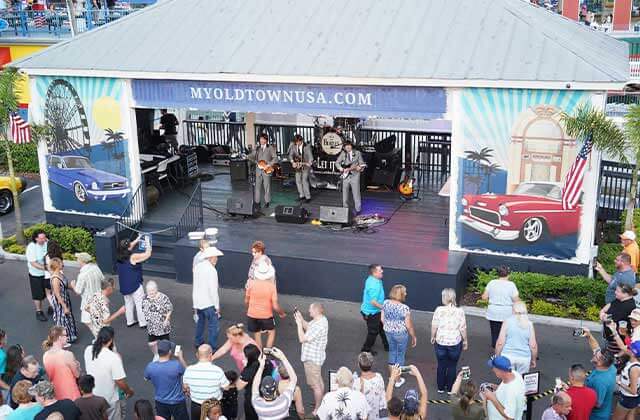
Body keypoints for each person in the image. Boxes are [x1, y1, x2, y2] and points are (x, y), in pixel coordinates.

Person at [84, 327, 134, 420]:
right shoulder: (113, 358)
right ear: (111, 340)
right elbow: (120, 381)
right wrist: (129, 391)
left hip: (94, 394)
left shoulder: (88, 350)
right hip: (109, 398)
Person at [293, 303, 327, 414]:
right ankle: (321, 402)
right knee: (318, 380)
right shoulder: (321, 320)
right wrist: (301, 319)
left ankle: (317, 409)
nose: (309, 311)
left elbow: (302, 338)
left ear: (316, 311)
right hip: (317, 357)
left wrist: (298, 324)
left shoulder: (318, 325)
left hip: (312, 360)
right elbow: (308, 327)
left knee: (315, 385)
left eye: (310, 309)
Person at [431, 288, 467, 393]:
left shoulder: (438, 310)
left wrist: (432, 336)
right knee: (452, 365)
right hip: (455, 343)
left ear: (444, 298)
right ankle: (451, 388)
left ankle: (440, 388)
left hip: (440, 342)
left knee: (441, 365)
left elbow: (434, 325)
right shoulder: (460, 311)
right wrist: (465, 341)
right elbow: (463, 328)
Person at [245, 261, 286, 349]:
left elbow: (246, 300)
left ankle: (260, 354)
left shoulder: (251, 284)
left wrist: (250, 308)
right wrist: (281, 313)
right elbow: (275, 306)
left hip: (252, 314)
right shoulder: (271, 286)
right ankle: (267, 353)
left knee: (257, 333)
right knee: (271, 332)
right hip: (266, 316)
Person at [143, 340, 188, 420]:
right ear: (170, 352)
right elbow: (188, 372)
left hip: (160, 402)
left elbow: (145, 378)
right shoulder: (176, 365)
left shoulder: (150, 366)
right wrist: (180, 357)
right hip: (177, 401)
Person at [182, 345, 229, 420]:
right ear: (210, 355)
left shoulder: (189, 370)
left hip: (196, 405)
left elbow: (185, 387)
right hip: (213, 407)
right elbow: (226, 387)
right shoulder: (218, 371)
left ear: (197, 355)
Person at [580, 328, 616, 420]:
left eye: (596, 355)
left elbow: (597, 404)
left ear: (600, 362)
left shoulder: (600, 381)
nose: (594, 353)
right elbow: (596, 347)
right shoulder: (611, 367)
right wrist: (589, 335)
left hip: (596, 416)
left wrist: (578, 397)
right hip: (604, 412)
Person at [251, 348, 297, 420]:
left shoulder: (257, 404)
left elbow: (254, 387)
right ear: (275, 390)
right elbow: (294, 379)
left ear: (262, 391)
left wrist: (261, 367)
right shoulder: (284, 401)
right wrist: (283, 358)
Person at [192, 247, 224, 350]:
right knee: (213, 326)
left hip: (198, 301)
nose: (216, 259)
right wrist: (217, 306)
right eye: (215, 257)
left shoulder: (197, 267)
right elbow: (213, 290)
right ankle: (212, 347)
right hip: (209, 303)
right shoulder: (212, 270)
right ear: (210, 258)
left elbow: (195, 285)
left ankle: (198, 341)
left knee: (200, 323)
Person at [116, 236, 151, 328]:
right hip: (134, 284)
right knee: (140, 304)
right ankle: (143, 323)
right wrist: (147, 241)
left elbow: (129, 245)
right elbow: (148, 254)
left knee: (128, 304)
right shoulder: (133, 257)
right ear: (127, 248)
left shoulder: (119, 256)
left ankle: (130, 321)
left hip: (124, 285)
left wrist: (138, 238)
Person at [481, 266, 519, 349]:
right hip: (507, 312)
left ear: (498, 274)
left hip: (493, 311)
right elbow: (516, 300)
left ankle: (496, 350)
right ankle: (504, 350)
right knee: (506, 333)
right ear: (509, 274)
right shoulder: (511, 285)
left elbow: (484, 297)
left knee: (495, 333)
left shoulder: (492, 282)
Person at [495, 301, 537, 375]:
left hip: (507, 356)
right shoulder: (529, 324)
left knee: (508, 380)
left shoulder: (507, 322)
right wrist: (533, 359)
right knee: (520, 381)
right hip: (524, 358)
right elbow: (533, 345)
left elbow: (500, 343)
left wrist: (497, 356)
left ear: (513, 310)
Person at [42, 327, 80, 401]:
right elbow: (77, 374)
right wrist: (77, 365)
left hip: (57, 393)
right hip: (71, 392)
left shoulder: (45, 355)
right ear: (59, 337)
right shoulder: (67, 354)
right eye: (65, 335)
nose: (67, 337)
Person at [481, 356, 525, 420]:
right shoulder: (514, 374)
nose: (492, 370)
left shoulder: (511, 391)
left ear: (500, 371)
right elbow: (506, 389)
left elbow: (509, 417)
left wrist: (492, 398)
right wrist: (497, 387)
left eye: (494, 368)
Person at [70, 253, 104, 336]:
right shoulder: (96, 268)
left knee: (87, 321)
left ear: (82, 261)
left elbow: (78, 291)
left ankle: (99, 338)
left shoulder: (82, 275)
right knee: (97, 319)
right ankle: (100, 336)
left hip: (88, 302)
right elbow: (102, 279)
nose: (77, 260)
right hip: (99, 298)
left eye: (78, 259)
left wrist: (73, 285)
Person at [237, 345, 273, 420]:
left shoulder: (249, 370)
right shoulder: (267, 362)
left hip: (252, 398)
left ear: (249, 357)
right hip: (265, 395)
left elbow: (239, 386)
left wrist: (245, 367)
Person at [600, 284, 637, 355]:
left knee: (610, 358)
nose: (615, 292)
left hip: (616, 340)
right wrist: (602, 313)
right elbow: (605, 308)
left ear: (625, 294)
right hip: (610, 336)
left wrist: (604, 317)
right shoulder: (618, 300)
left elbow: (611, 320)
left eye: (617, 291)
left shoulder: (629, 306)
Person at [360, 264, 389, 355]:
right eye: (380, 270)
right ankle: (365, 350)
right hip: (372, 313)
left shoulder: (373, 279)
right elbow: (373, 302)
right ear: (374, 273)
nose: (382, 271)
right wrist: (384, 308)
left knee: (381, 327)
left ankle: (387, 345)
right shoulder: (374, 285)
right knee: (373, 332)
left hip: (375, 311)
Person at [48, 259, 78, 344]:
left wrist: (74, 288)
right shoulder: (55, 279)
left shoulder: (60, 274)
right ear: (57, 265)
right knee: (61, 319)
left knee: (67, 318)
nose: (63, 264)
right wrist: (64, 306)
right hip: (60, 301)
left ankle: (69, 336)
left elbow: (66, 285)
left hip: (65, 298)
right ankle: (61, 340)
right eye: (61, 263)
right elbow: (57, 294)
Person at [141, 281, 173, 357]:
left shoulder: (163, 297)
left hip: (162, 326)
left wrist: (166, 320)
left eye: (152, 290)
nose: (150, 293)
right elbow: (144, 308)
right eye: (148, 291)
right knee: (151, 343)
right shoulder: (145, 298)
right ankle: (156, 354)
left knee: (165, 343)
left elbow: (170, 309)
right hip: (152, 326)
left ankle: (167, 356)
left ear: (156, 289)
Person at [352, 352, 386, 420]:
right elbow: (383, 400)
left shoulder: (356, 382)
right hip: (375, 415)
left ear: (359, 365)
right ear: (371, 364)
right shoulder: (379, 377)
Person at [334, 140, 365, 213]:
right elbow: (337, 163)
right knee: (345, 194)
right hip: (345, 176)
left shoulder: (357, 153)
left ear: (351, 146)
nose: (347, 147)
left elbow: (362, 163)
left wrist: (360, 167)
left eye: (349, 145)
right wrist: (341, 169)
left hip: (355, 175)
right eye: (345, 146)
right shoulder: (343, 153)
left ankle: (358, 209)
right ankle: (345, 209)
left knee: (356, 193)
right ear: (344, 147)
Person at [248, 133, 277, 208]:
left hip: (266, 169)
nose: (261, 140)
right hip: (258, 170)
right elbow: (252, 156)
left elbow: (275, 158)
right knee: (257, 186)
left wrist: (269, 164)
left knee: (266, 186)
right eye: (260, 139)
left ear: (266, 140)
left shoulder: (270, 148)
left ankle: (267, 201)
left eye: (263, 139)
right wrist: (249, 156)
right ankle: (257, 202)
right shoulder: (257, 148)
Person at [26, 230, 50, 322]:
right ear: (36, 238)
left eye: (45, 237)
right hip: (36, 274)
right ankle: (39, 311)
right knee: (38, 295)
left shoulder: (46, 243)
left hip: (47, 274)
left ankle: (51, 306)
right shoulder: (31, 247)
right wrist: (46, 268)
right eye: (42, 238)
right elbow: (33, 263)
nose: (44, 239)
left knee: (50, 291)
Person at [612, 341, 640, 420]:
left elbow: (633, 391)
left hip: (628, 398)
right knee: (630, 416)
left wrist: (619, 382)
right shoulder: (633, 361)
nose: (627, 349)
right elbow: (623, 348)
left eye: (630, 348)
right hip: (633, 398)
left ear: (633, 353)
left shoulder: (634, 369)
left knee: (616, 418)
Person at [287, 134, 313, 203]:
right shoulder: (293, 146)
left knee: (304, 180)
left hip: (305, 166)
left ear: (301, 140)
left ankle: (308, 197)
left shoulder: (307, 147)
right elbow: (290, 155)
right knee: (298, 180)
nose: (297, 143)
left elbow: (311, 157)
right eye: (296, 142)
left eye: (298, 142)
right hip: (298, 165)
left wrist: (309, 162)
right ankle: (302, 195)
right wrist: (293, 162)